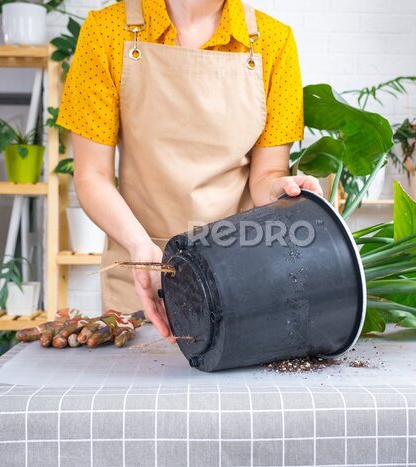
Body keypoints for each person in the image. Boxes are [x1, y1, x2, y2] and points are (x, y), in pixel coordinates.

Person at [50, 0, 322, 345]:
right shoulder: (107, 30)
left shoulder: (273, 41)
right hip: (143, 271)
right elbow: (92, 176)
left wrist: (282, 188)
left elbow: (265, 174)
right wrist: (139, 246)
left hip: (235, 273)